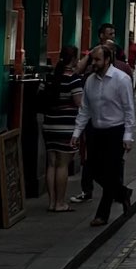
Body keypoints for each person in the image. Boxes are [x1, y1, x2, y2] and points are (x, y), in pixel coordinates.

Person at [81, 41, 136, 226]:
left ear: (107, 60)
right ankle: (122, 193)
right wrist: (77, 132)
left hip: (115, 131)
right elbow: (85, 108)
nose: (93, 63)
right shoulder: (90, 80)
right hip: (95, 131)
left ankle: (102, 215)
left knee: (111, 171)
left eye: (97, 60)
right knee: (93, 170)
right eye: (92, 59)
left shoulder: (121, 79)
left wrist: (128, 136)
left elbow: (129, 109)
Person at [41, 45, 86, 212]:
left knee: (51, 164)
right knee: (62, 165)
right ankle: (60, 202)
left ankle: (51, 202)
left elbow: (41, 97)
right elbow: (79, 103)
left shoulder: (50, 77)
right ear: (74, 59)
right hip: (66, 126)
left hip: (49, 124)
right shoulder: (73, 79)